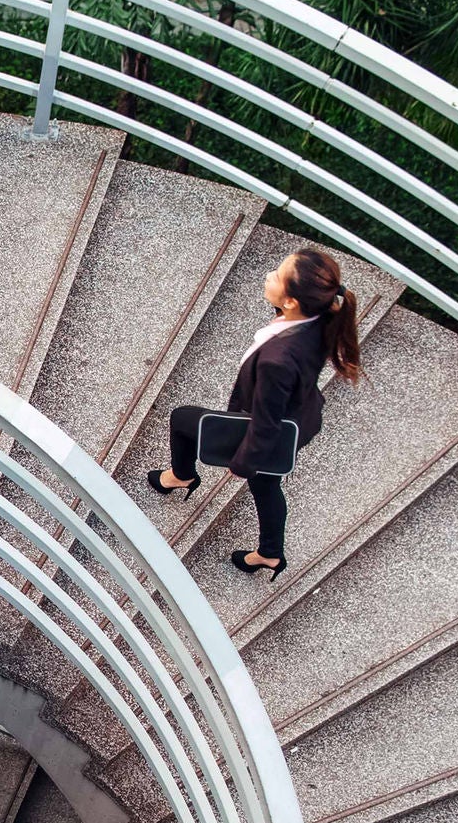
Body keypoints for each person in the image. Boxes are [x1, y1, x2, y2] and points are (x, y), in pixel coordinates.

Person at [149, 247, 363, 583]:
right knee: (266, 485)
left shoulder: (278, 360)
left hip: (272, 429)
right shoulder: (318, 319)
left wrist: (241, 463)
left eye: (277, 275)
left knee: (181, 419)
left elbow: (264, 425)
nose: (268, 276)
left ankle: (182, 476)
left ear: (292, 301)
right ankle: (270, 554)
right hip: (301, 416)